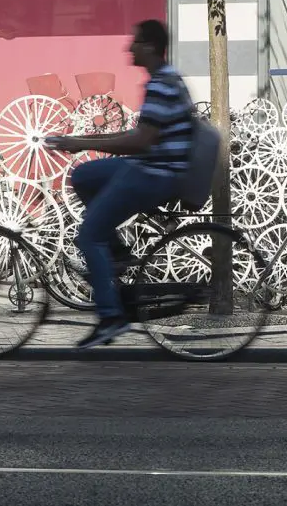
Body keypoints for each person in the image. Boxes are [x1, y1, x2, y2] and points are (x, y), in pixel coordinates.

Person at [45, 19, 194, 349]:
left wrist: (82, 144)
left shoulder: (162, 84)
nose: (130, 48)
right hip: (150, 166)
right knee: (83, 175)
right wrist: (80, 140)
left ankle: (111, 317)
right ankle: (117, 252)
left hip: (157, 174)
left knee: (87, 236)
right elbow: (137, 138)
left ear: (151, 47)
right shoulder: (163, 80)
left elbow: (141, 141)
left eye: (136, 42)